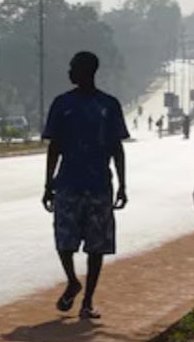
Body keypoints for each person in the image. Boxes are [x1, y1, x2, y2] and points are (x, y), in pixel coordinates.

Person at [41, 51, 129, 321]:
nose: (69, 73)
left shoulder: (108, 105)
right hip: (68, 182)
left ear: (86, 71)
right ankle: (72, 281)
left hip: (99, 184)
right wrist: (48, 183)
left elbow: (117, 148)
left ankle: (88, 301)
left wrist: (123, 184)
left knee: (96, 245)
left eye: (72, 68)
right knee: (64, 240)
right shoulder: (62, 104)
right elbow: (54, 146)